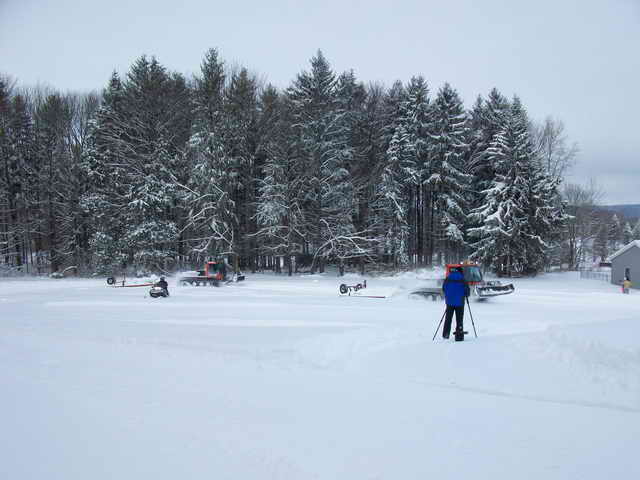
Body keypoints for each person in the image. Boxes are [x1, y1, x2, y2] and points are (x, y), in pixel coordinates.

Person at [442, 267, 470, 340]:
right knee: (459, 319)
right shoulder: (463, 279)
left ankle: (446, 334)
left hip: (449, 302)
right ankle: (459, 335)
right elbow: (467, 291)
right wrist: (465, 294)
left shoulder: (448, 278)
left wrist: (449, 295)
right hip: (460, 303)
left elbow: (444, 288)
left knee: (448, 319)